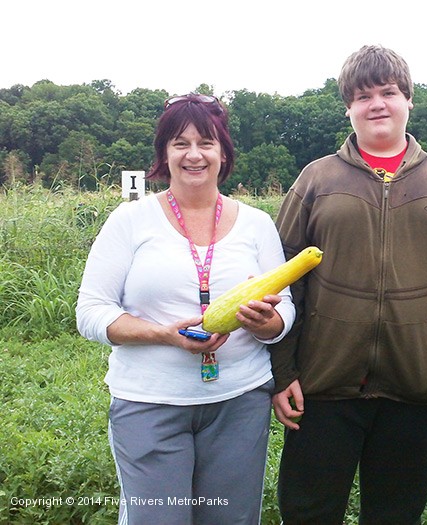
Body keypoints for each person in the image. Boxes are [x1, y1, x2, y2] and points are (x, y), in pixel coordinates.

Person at [269, 44, 427, 524]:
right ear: (348, 107)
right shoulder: (315, 180)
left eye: (388, 92)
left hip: (417, 388)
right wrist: (284, 372)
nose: (377, 104)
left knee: (396, 515)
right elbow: (281, 282)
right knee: (307, 511)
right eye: (363, 95)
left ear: (409, 99)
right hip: (322, 385)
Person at [76, 93, 295, 525]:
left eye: (206, 143)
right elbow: (91, 311)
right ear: (163, 153)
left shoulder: (256, 223)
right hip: (150, 402)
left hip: (239, 400)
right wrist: (161, 334)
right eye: (180, 143)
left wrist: (270, 323)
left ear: (224, 153)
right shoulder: (130, 220)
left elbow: (283, 309)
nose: (194, 154)